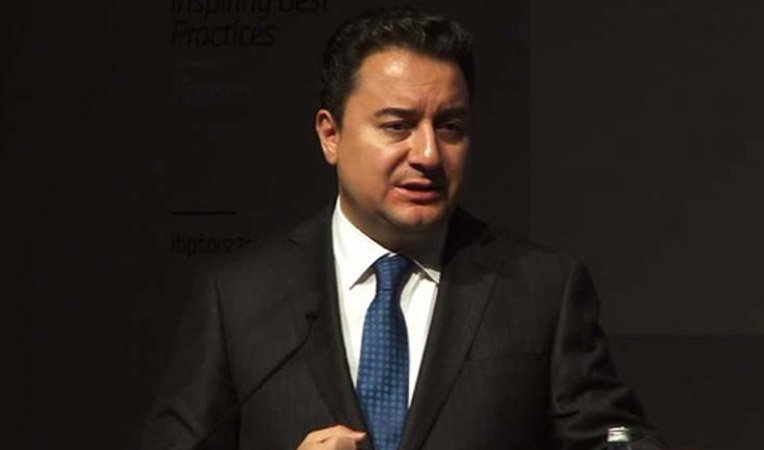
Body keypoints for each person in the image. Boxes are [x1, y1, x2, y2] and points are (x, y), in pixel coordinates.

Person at [143, 7, 666, 450]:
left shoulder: (541, 291)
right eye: (397, 126)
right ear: (330, 135)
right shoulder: (239, 299)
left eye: (450, 127)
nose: (428, 154)